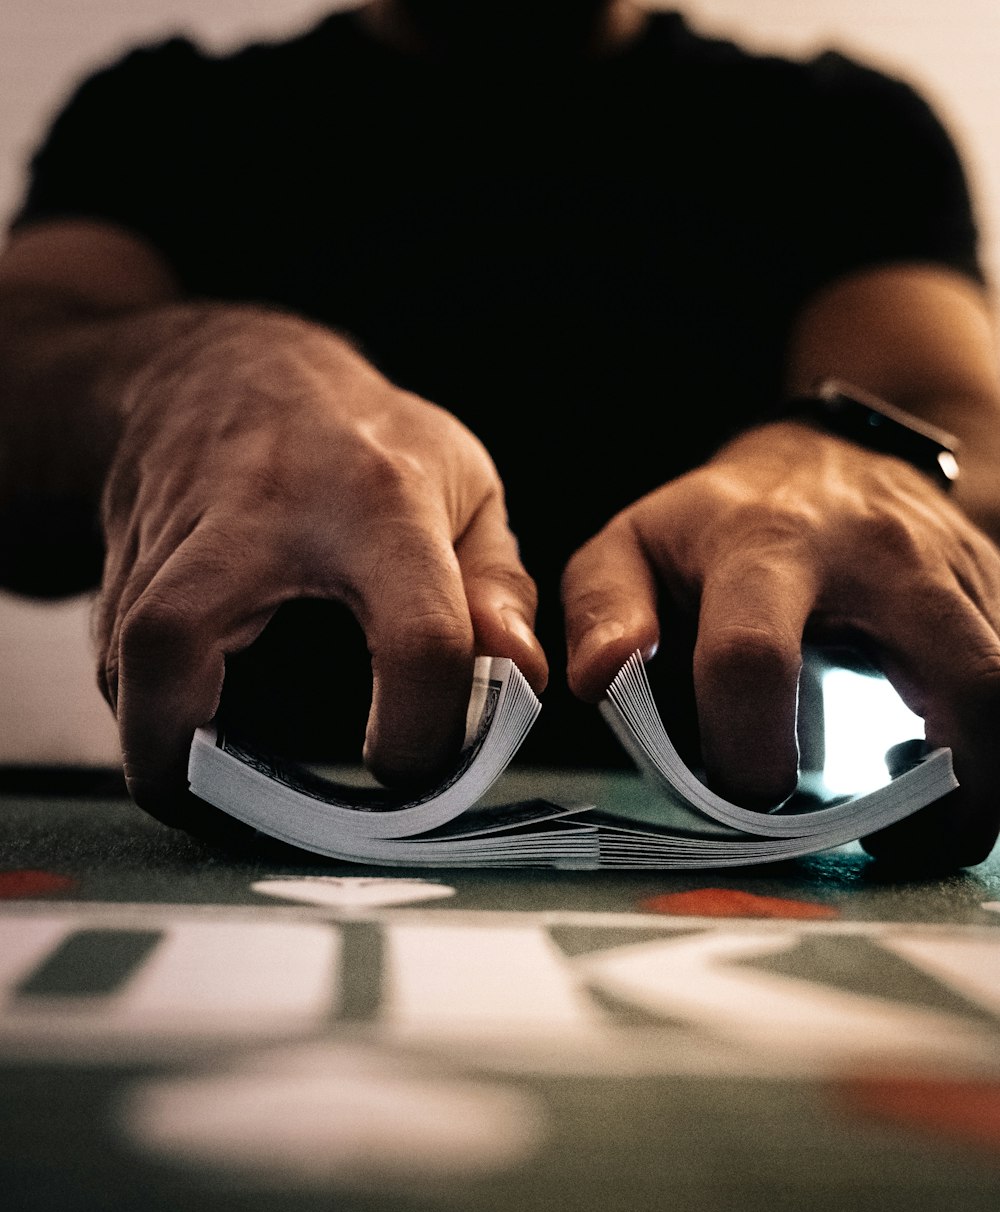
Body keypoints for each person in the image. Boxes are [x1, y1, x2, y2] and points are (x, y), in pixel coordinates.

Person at [2, 0, 1000, 869]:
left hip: (756, 839)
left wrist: (858, 453)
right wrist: (184, 368)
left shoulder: (840, 132)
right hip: (234, 836)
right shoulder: (164, 118)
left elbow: (959, 415)